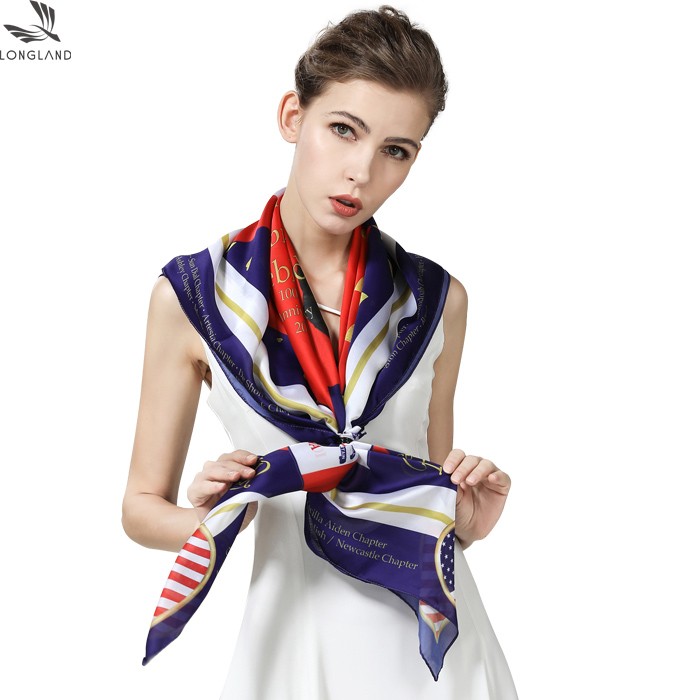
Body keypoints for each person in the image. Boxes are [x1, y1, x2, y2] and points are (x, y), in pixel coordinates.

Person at [122, 5, 518, 698]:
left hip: (437, 659)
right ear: (292, 116)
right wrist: (217, 516)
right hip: (294, 648)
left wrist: (466, 522)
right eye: (343, 130)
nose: (361, 171)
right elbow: (139, 507)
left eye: (396, 150)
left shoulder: (435, 301)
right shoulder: (196, 296)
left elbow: (427, 490)